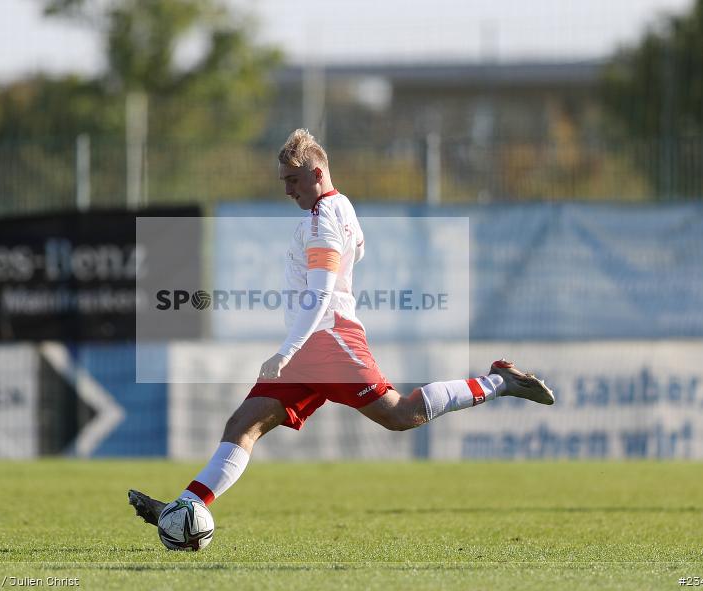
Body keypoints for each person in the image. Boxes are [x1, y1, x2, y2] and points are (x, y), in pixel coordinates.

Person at [129, 129, 554, 523]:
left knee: (400, 414)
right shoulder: (340, 205)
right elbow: (360, 250)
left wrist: (287, 351)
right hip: (314, 345)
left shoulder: (322, 222)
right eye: (283, 181)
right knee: (243, 426)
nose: (287, 189)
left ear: (316, 172)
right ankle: (184, 510)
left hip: (327, 341)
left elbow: (320, 293)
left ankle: (501, 383)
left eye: (292, 180)